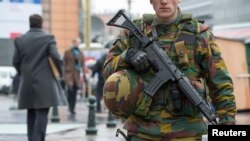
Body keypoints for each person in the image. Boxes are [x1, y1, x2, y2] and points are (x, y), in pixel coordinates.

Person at [103, 0, 237, 140]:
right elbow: (107, 72)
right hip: (141, 133)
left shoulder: (199, 34)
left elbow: (221, 84)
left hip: (186, 134)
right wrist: (127, 56)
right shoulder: (133, 32)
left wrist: (227, 123)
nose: (164, 1)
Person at [13, 14, 67, 141]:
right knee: (42, 114)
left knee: (31, 114)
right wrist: (61, 73)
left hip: (27, 82)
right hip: (45, 83)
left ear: (29, 23)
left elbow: (15, 61)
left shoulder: (20, 40)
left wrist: (23, 74)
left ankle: (32, 138)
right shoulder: (48, 38)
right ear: (41, 24)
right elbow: (56, 57)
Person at [63, 38, 85, 115]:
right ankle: (70, 105)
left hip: (77, 75)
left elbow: (83, 64)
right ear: (73, 43)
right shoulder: (67, 51)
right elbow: (64, 62)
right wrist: (63, 74)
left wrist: (84, 74)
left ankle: (72, 108)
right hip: (69, 74)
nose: (78, 44)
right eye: (77, 43)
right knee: (70, 91)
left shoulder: (80, 53)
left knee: (75, 92)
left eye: (79, 43)